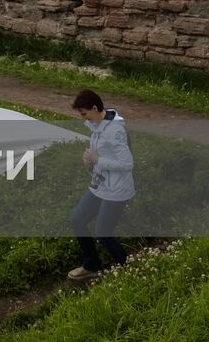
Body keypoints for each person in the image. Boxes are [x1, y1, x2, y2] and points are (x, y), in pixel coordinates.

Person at [68, 89, 133, 280]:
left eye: (84, 113)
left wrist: (98, 160)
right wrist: (90, 161)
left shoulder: (115, 131)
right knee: (77, 219)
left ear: (95, 108)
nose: (83, 119)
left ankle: (129, 270)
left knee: (103, 232)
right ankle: (91, 265)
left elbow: (127, 164)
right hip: (100, 185)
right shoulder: (98, 125)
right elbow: (101, 155)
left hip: (117, 189)